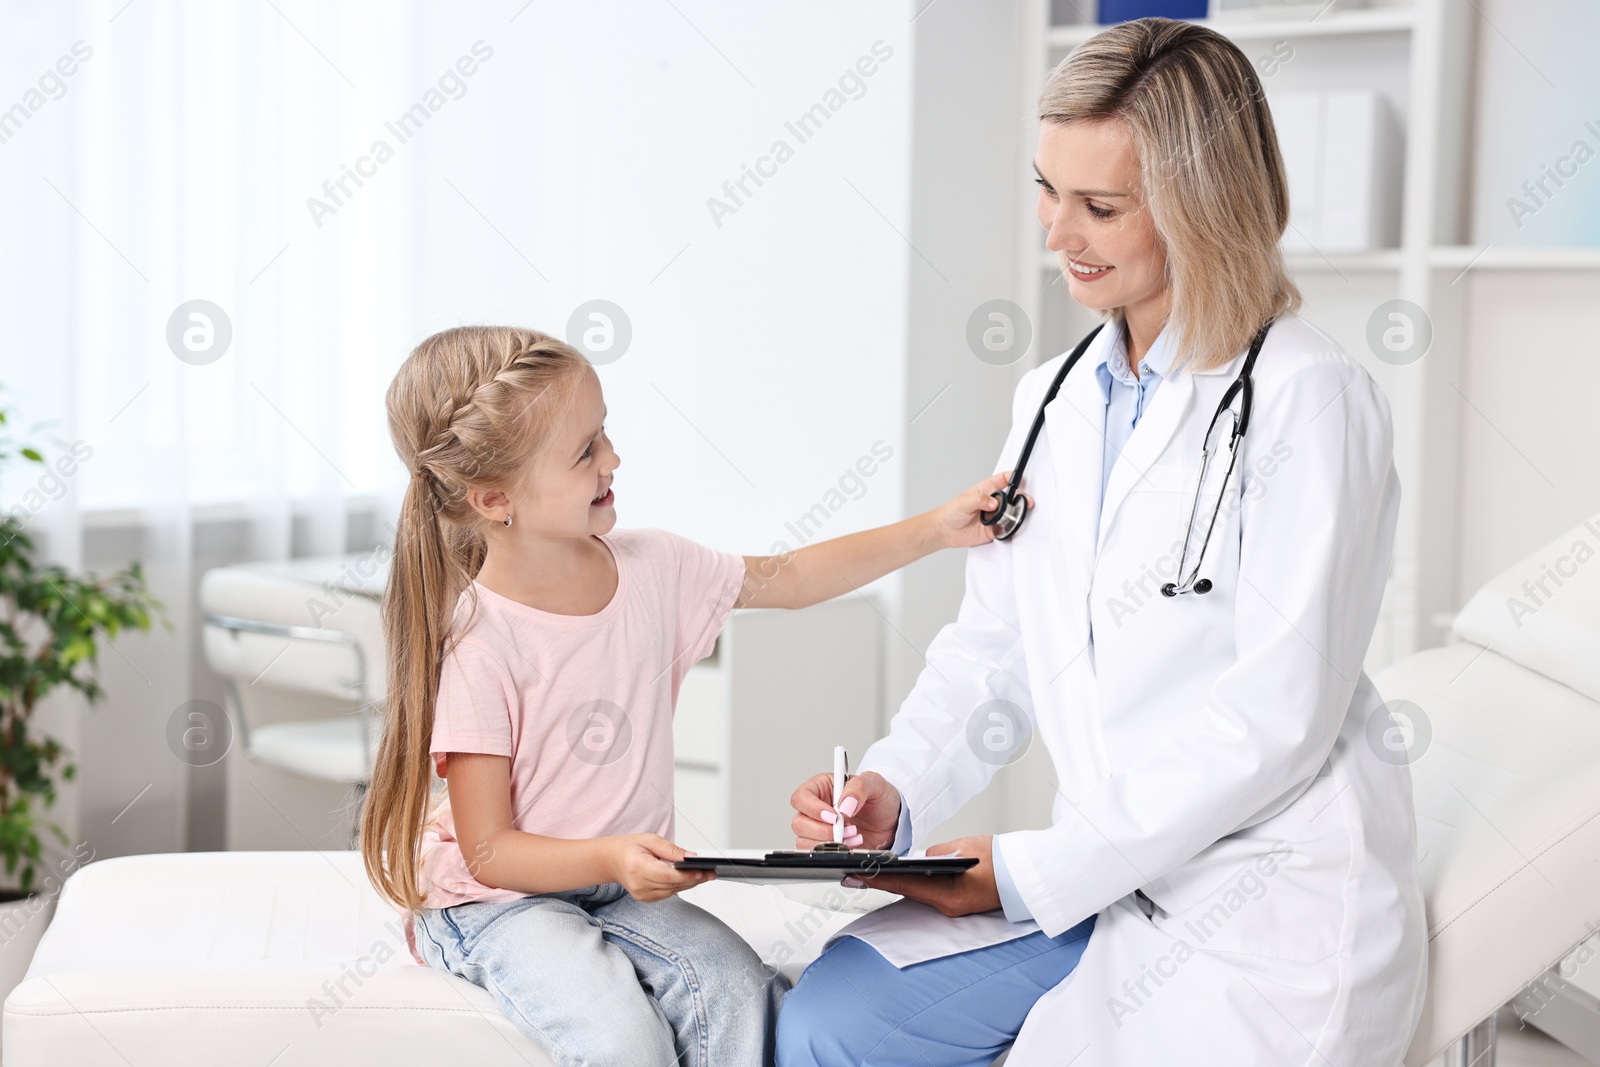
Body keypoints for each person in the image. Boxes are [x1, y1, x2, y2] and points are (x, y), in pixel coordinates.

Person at [777, 18, 1427, 1067]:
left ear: (1202, 205)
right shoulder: (1053, 398)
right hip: (1101, 869)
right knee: (826, 1016)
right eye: (1047, 190)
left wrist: (1035, 868)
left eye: (1099, 207)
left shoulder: (1309, 399)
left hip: (1253, 891)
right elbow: (995, 648)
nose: (1056, 234)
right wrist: (895, 789)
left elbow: (1276, 716)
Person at [359, 325, 1011, 1067]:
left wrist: (934, 529)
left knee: (737, 989)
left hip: (610, 889)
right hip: (499, 902)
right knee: (620, 1039)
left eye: (603, 433)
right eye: (583, 452)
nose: (612, 458)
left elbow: (790, 578)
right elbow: (489, 850)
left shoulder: (653, 566)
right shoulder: (479, 641)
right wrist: (611, 852)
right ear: (493, 497)